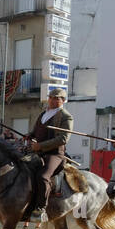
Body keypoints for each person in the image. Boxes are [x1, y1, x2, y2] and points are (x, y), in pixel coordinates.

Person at [27, 89, 73, 218]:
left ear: (63, 101)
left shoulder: (66, 116)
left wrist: (40, 145)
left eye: (56, 98)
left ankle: (41, 208)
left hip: (55, 154)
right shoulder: (43, 114)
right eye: (51, 97)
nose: (53, 100)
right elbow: (36, 131)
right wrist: (29, 136)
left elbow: (63, 139)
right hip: (38, 152)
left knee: (43, 176)